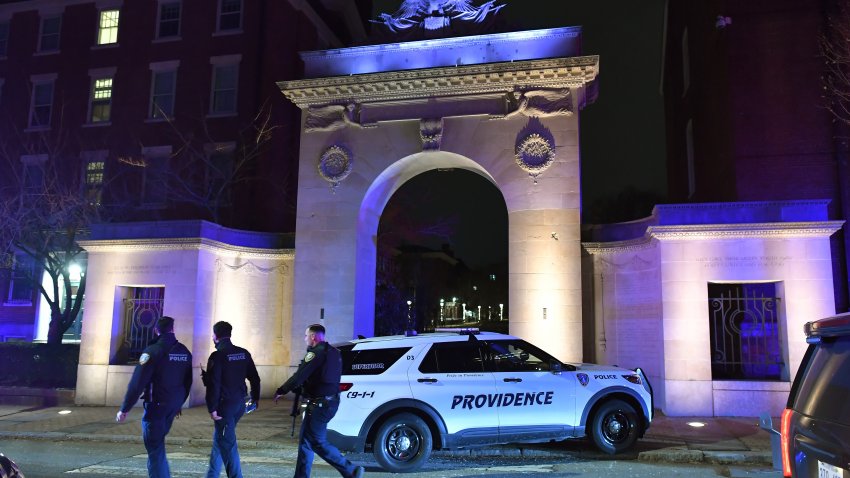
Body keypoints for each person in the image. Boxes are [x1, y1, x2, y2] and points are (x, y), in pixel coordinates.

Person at [274, 324, 364, 478]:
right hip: (330, 402)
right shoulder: (334, 352)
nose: (305, 339)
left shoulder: (316, 353)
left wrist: (281, 390)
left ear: (313, 336)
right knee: (305, 442)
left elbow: (299, 376)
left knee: (317, 442)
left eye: (306, 335)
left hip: (320, 405)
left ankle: (351, 470)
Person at [116, 316, 192, 478]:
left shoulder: (152, 352)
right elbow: (188, 381)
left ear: (156, 331)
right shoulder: (184, 351)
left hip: (156, 406)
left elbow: (137, 384)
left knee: (155, 449)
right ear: (172, 329)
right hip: (172, 406)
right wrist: (179, 403)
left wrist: (125, 409)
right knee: (157, 445)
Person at [201, 321, 260, 478]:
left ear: (215, 336)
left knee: (228, 445)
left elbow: (214, 384)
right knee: (220, 440)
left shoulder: (217, 356)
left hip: (224, 407)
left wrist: (212, 408)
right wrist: (255, 398)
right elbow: (255, 378)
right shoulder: (243, 353)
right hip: (239, 404)